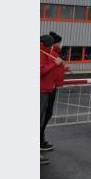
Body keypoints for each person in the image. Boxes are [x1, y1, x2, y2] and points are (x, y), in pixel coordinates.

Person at [40, 32, 65, 165]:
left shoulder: (46, 53)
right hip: (42, 89)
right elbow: (41, 70)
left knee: (43, 118)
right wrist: (55, 64)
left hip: (47, 88)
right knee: (40, 119)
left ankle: (40, 142)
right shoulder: (42, 54)